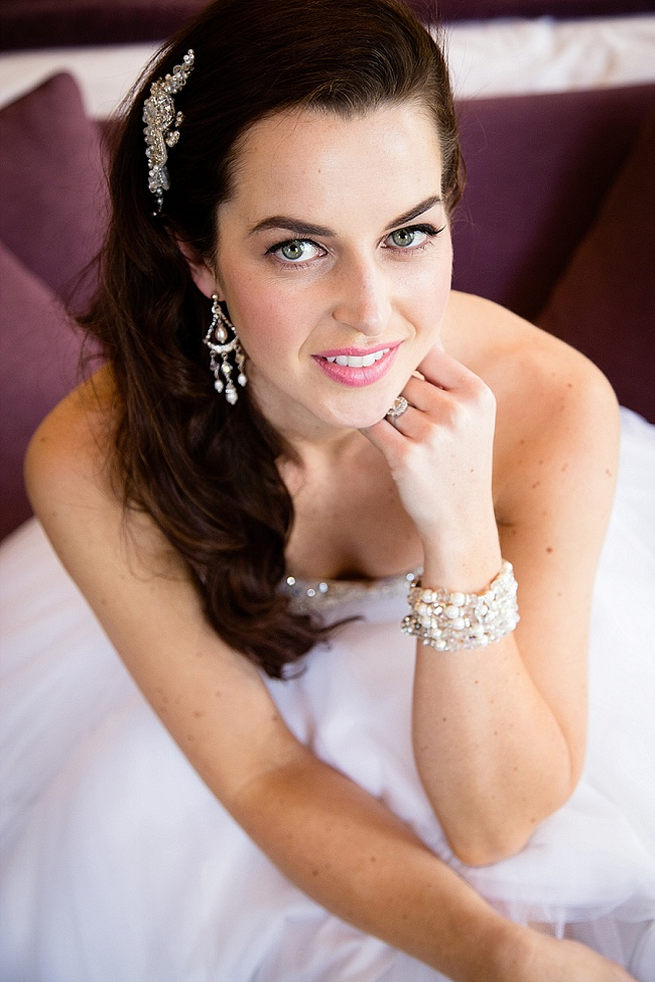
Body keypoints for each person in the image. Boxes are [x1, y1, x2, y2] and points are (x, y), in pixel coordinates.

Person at [1, 0, 654, 979]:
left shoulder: (550, 408)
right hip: (227, 760)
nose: (370, 313)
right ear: (199, 257)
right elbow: (259, 771)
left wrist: (459, 532)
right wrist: (499, 957)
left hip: (487, 711)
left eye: (408, 234)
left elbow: (493, 825)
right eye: (295, 248)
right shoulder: (94, 458)